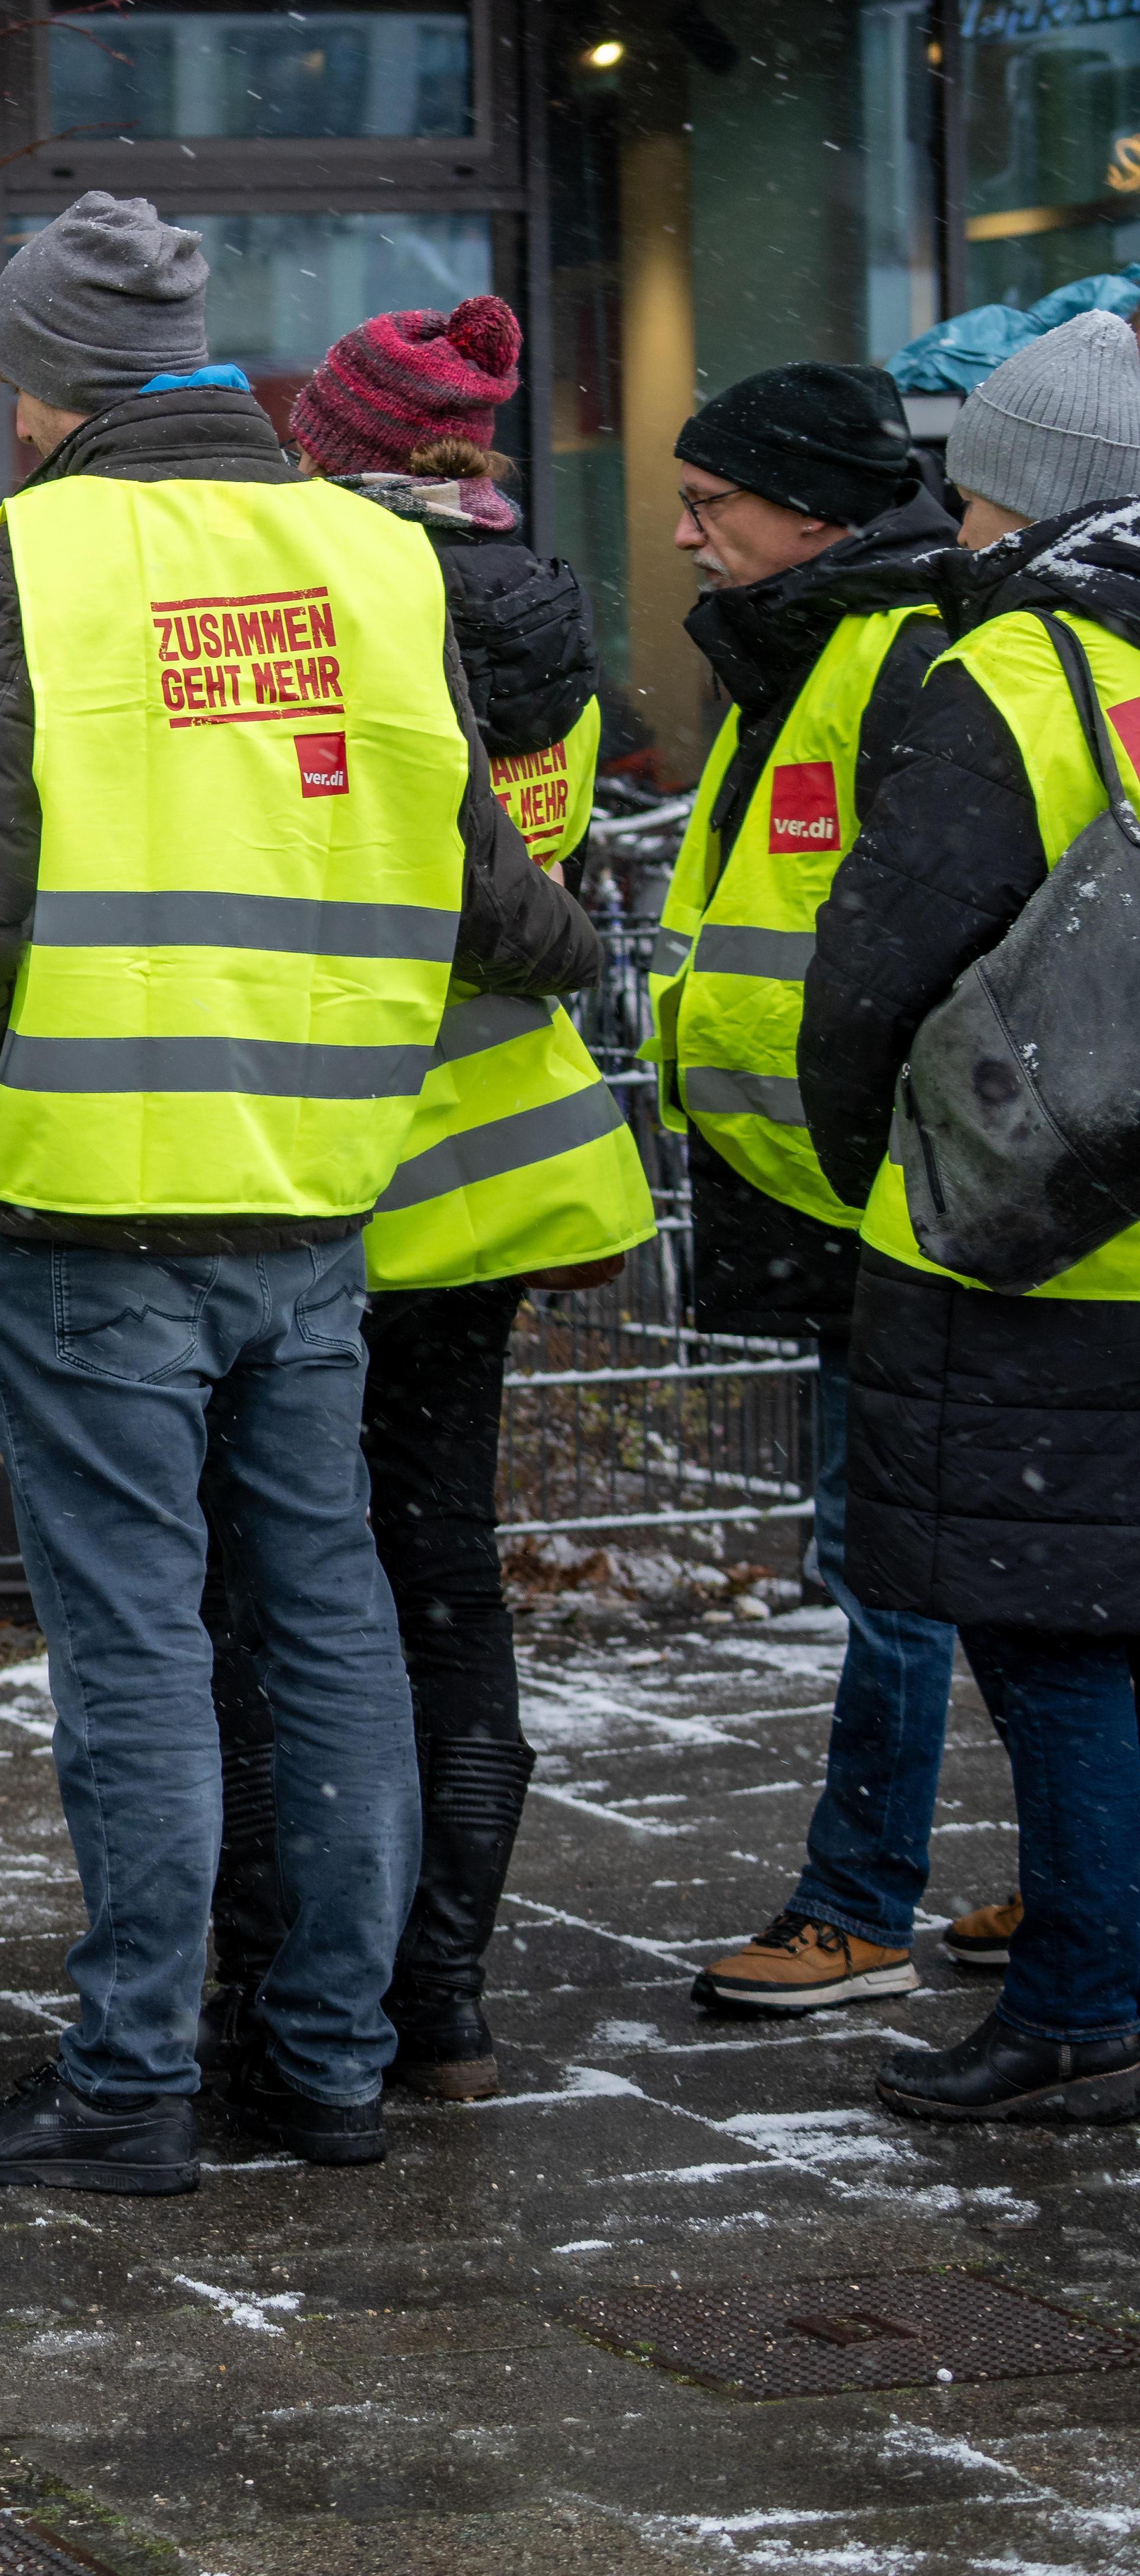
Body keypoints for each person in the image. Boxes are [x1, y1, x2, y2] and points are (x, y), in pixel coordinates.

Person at [0, 195, 604, 2193]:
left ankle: (125, 2084)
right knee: (330, 1622)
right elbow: (488, 893)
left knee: (135, 1647)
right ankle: (327, 2061)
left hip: (86, 1188)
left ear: (38, 385)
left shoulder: (28, 557)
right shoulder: (367, 550)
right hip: (312, 1186)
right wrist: (584, 941)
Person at [200, 298, 658, 2103]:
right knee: (440, 1573)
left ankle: (313, 1970)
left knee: (299, 1591)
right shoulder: (537, 610)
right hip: (503, 1156)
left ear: (330, 445)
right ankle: (440, 1989)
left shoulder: (346, 614)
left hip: (338, 1160)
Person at [801, 310, 1140, 2123]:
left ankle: (1083, 2002)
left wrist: (870, 1164)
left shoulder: (1010, 678)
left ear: (1000, 487)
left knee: (1048, 1636)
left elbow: (876, 971)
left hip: (1035, 1236)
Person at [650, 364, 993, 2018]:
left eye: (713, 503)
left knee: (899, 1558)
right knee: (965, 1540)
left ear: (814, 514)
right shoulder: (809, 651)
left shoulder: (902, 656)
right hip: (831, 1185)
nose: (685, 531)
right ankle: (1083, 1862)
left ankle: (860, 1900)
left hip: (899, 1195)